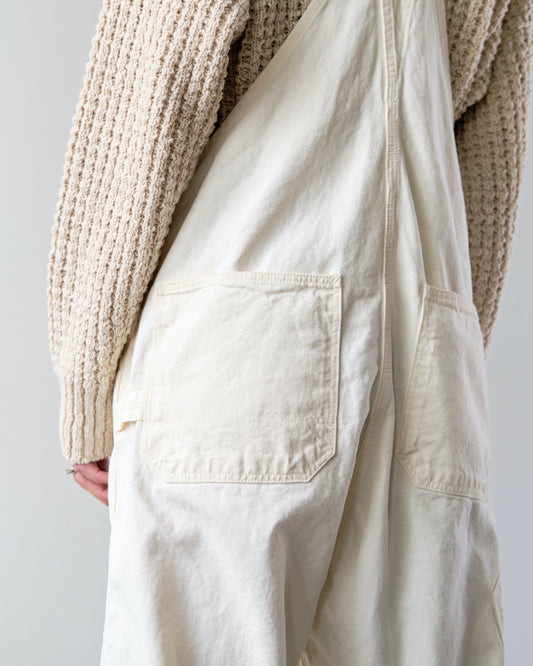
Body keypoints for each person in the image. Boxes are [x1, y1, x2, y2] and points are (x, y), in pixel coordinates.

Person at [48, 0, 533, 663]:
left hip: (242, 361)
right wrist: (444, 364)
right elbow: (487, 175)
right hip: (425, 378)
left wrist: (86, 381)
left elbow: (148, 105)